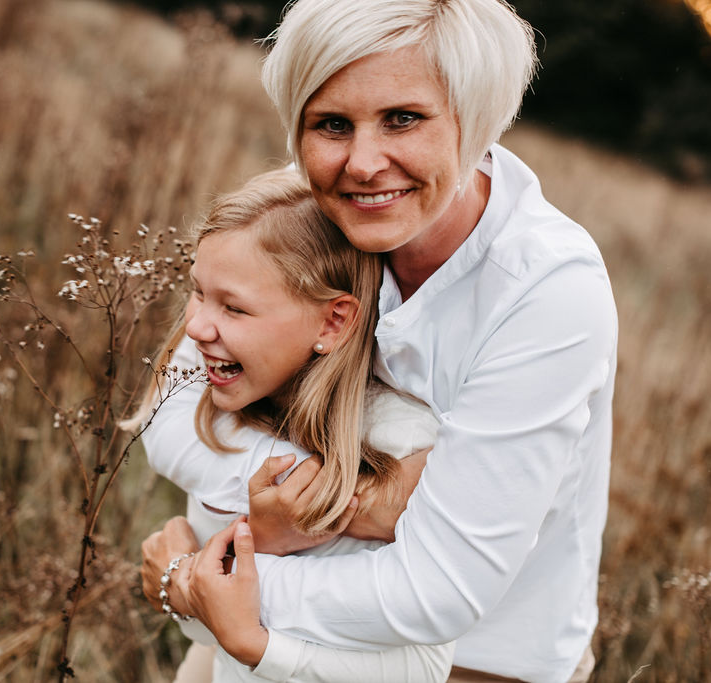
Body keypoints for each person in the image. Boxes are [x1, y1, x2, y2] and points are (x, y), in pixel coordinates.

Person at [142, 1, 618, 681]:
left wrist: (205, 575)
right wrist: (344, 497)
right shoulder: (305, 209)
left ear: (473, 120)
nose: (364, 163)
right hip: (253, 633)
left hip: (472, 665)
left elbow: (435, 591)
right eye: (332, 124)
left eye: (404, 118)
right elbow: (167, 405)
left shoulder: (546, 290)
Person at [134, 169, 454, 681]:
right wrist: (213, 567)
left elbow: (422, 666)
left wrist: (231, 615)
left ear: (332, 322)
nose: (194, 327)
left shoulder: (395, 441)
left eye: (235, 307)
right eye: (197, 292)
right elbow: (202, 630)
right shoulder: (229, 394)